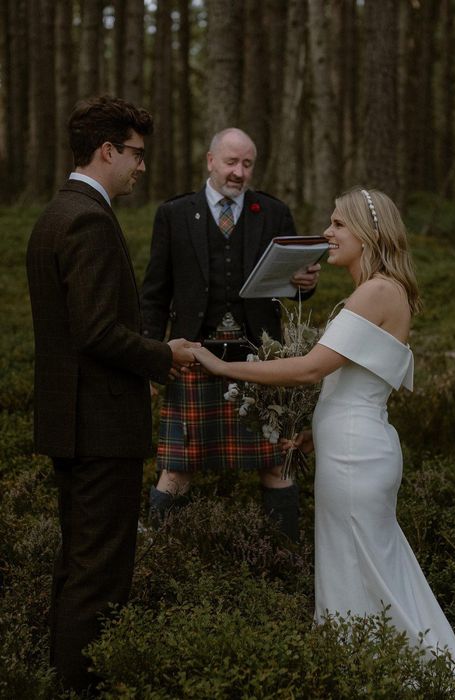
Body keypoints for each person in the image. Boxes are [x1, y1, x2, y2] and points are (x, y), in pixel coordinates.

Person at [190, 187, 455, 662]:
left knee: (363, 569)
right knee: (364, 567)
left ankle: (386, 671)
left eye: (338, 224)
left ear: (368, 232)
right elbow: (358, 382)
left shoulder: (377, 291)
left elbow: (310, 368)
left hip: (357, 455)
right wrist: (314, 432)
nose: (327, 233)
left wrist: (221, 367)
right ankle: (378, 667)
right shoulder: (379, 290)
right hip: (352, 447)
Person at [26, 95, 199, 694]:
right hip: (99, 428)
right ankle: (82, 686)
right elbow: (96, 330)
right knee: (100, 574)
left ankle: (58, 680)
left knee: (79, 565)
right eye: (135, 154)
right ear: (107, 151)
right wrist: (164, 356)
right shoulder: (88, 220)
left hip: (72, 423)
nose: (140, 166)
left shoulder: (56, 212)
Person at [140, 127, 320, 539]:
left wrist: (305, 285)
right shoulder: (175, 214)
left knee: (277, 462)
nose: (239, 172)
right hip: (192, 355)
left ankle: (283, 557)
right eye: (230, 162)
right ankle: (159, 557)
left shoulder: (273, 213)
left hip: (260, 359)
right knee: (177, 467)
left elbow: (293, 286)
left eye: (247, 164)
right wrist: (151, 354)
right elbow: (154, 292)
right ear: (210, 160)